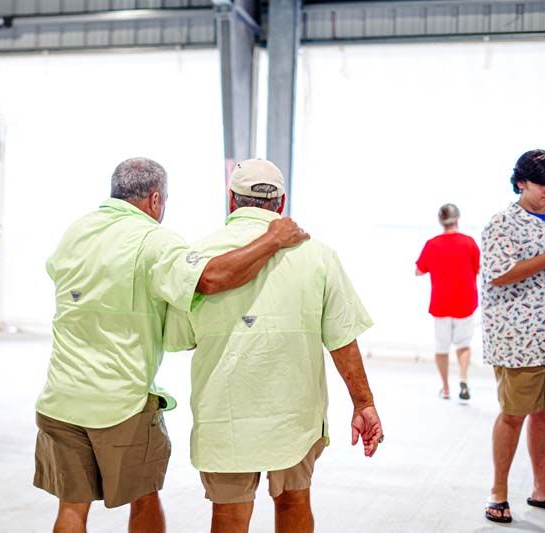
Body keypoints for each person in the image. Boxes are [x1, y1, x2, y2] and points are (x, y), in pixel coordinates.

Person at [34, 157, 309, 533]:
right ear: (155, 200)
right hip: (121, 403)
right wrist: (273, 239)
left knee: (71, 508)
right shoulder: (155, 240)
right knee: (143, 498)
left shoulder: (76, 231)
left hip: (61, 397)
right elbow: (209, 279)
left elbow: (65, 280)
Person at [163, 159, 383, 533]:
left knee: (229, 513)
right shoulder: (317, 254)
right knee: (294, 500)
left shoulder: (199, 256)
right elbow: (342, 337)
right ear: (281, 202)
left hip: (224, 415)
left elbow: (178, 338)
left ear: (231, 199)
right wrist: (363, 403)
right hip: (296, 416)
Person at [482, 149, 545, 523]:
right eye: (542, 184)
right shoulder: (501, 223)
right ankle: (498, 492)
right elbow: (498, 274)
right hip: (519, 339)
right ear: (521, 182)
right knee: (513, 414)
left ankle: (543, 489)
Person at [415, 203, 480, 401]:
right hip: (465, 301)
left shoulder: (432, 244)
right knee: (464, 344)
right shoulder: (469, 243)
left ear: (440, 221)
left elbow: (419, 271)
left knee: (441, 347)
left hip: (441, 302)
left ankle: (445, 388)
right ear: (457, 219)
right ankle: (464, 379)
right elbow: (478, 268)